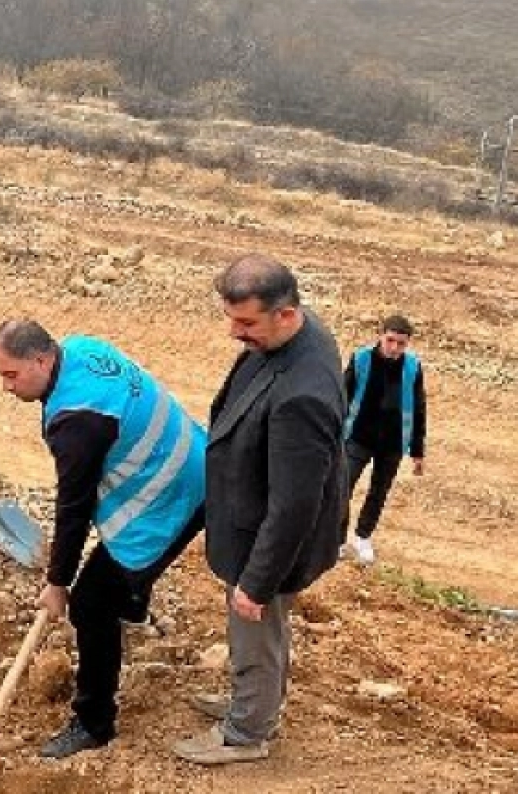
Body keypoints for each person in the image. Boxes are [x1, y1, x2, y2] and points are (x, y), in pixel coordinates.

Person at [0, 318, 205, 759]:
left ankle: (93, 723)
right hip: (193, 457)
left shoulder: (77, 423)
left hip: (168, 496)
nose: (6, 388)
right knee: (118, 580)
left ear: (42, 359)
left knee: (90, 603)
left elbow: (74, 509)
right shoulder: (82, 347)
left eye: (11, 374)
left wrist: (57, 584)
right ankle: (132, 598)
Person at [174, 254, 346, 768]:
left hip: (267, 544)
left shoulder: (303, 396)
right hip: (248, 518)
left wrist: (258, 580)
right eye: (232, 318)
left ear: (286, 314)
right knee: (258, 634)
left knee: (257, 631)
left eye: (246, 322)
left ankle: (247, 732)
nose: (234, 332)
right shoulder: (292, 335)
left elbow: (295, 504)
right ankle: (251, 705)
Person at [342, 315, 428, 565]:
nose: (394, 348)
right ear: (380, 336)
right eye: (390, 341)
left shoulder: (413, 366)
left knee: (379, 492)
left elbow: (419, 406)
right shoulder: (361, 359)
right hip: (358, 436)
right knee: (342, 486)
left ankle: (363, 538)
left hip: (393, 442)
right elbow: (342, 396)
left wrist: (417, 449)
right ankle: (337, 540)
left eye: (401, 344)